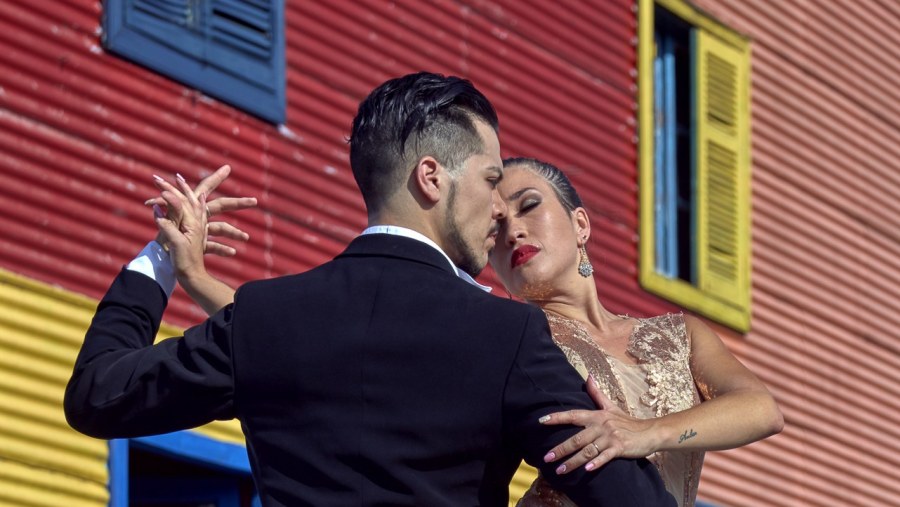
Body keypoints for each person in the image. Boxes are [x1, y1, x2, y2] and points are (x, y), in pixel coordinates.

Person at [64, 72, 675, 506]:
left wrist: (160, 260)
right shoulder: (507, 335)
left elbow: (97, 395)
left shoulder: (264, 317)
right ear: (431, 177)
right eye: (491, 180)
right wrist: (625, 431)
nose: (499, 210)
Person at [157, 157, 784, 506]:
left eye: (530, 206)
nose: (513, 229)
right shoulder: (500, 330)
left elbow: (760, 408)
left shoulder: (677, 332)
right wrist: (192, 273)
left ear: (583, 224)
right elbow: (308, 329)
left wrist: (645, 432)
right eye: (498, 220)